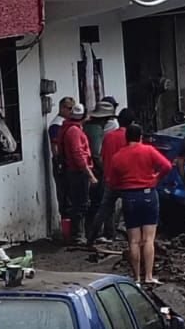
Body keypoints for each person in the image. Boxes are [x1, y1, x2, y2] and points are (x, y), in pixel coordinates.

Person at [107, 124, 170, 284]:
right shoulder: (148, 150)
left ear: (126, 137)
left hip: (129, 197)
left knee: (133, 240)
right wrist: (155, 178)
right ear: (140, 136)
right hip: (148, 194)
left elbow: (112, 181)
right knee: (149, 239)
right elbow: (167, 166)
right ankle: (148, 276)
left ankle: (136, 278)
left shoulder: (118, 156)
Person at [89, 108, 135, 246]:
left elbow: (101, 156)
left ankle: (98, 235)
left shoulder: (109, 136)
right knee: (129, 209)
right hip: (126, 180)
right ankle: (125, 235)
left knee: (105, 209)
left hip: (109, 177)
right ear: (132, 122)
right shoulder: (131, 137)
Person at [58, 103, 97, 243]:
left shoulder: (70, 128)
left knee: (79, 203)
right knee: (80, 204)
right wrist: (90, 174)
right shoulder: (74, 131)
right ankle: (78, 235)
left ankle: (79, 234)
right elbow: (78, 155)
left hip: (75, 170)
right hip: (77, 172)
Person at [83, 100, 116, 243]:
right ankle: (93, 233)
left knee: (96, 203)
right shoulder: (96, 130)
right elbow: (96, 154)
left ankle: (93, 232)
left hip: (90, 169)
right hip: (96, 170)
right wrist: (104, 169)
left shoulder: (89, 127)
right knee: (99, 202)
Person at [48, 96, 76, 216]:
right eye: (70, 108)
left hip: (69, 161)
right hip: (61, 162)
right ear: (62, 108)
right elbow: (55, 147)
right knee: (64, 194)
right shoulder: (56, 125)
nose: (71, 112)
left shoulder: (67, 124)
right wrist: (59, 162)